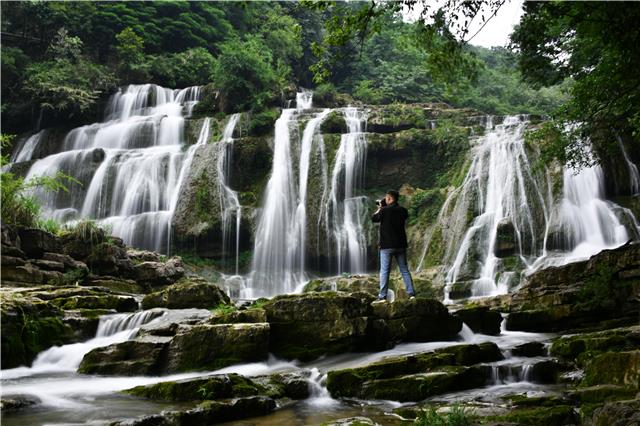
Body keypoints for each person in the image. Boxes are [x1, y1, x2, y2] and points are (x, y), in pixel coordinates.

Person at [371, 189, 416, 302]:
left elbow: (374, 218)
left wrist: (380, 208)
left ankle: (382, 296)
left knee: (385, 271)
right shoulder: (403, 210)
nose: (385, 200)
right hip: (401, 245)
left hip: (386, 246)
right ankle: (411, 294)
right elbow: (401, 215)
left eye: (386, 198)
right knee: (404, 270)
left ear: (389, 198)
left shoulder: (384, 210)